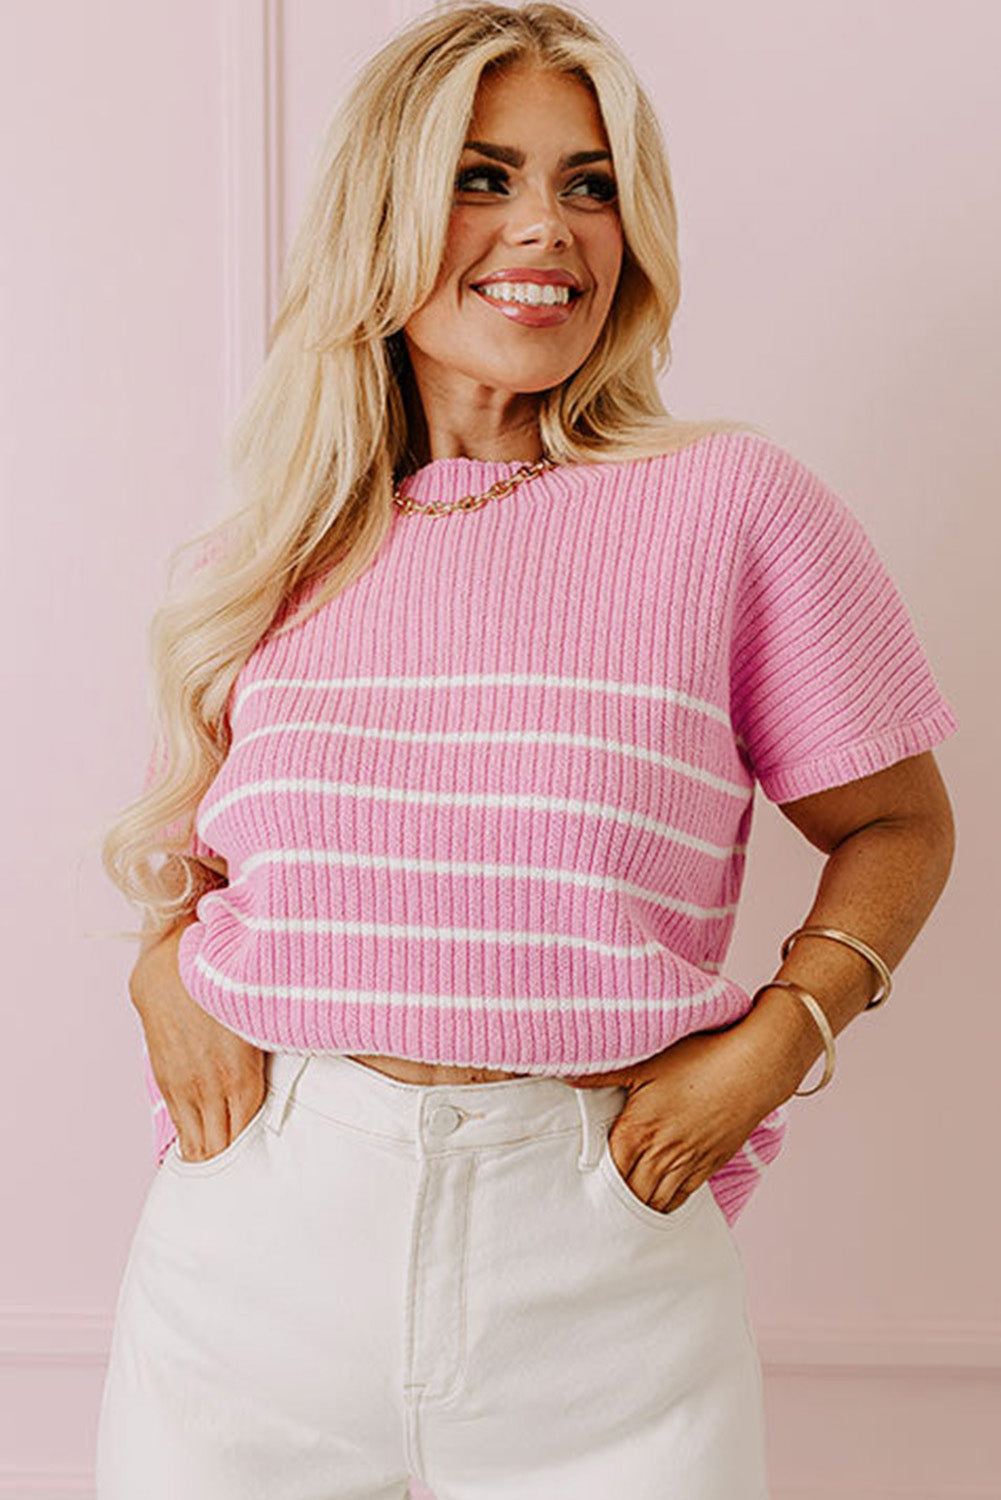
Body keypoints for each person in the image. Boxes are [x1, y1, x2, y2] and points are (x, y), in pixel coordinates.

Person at [95, 4, 958, 1498]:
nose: (547, 227)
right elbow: (225, 859)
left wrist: (779, 1043)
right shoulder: (276, 547)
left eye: (590, 184)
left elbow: (899, 823)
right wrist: (159, 969)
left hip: (600, 1259)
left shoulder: (729, 507)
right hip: (253, 1255)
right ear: (382, 214)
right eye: (482, 177)